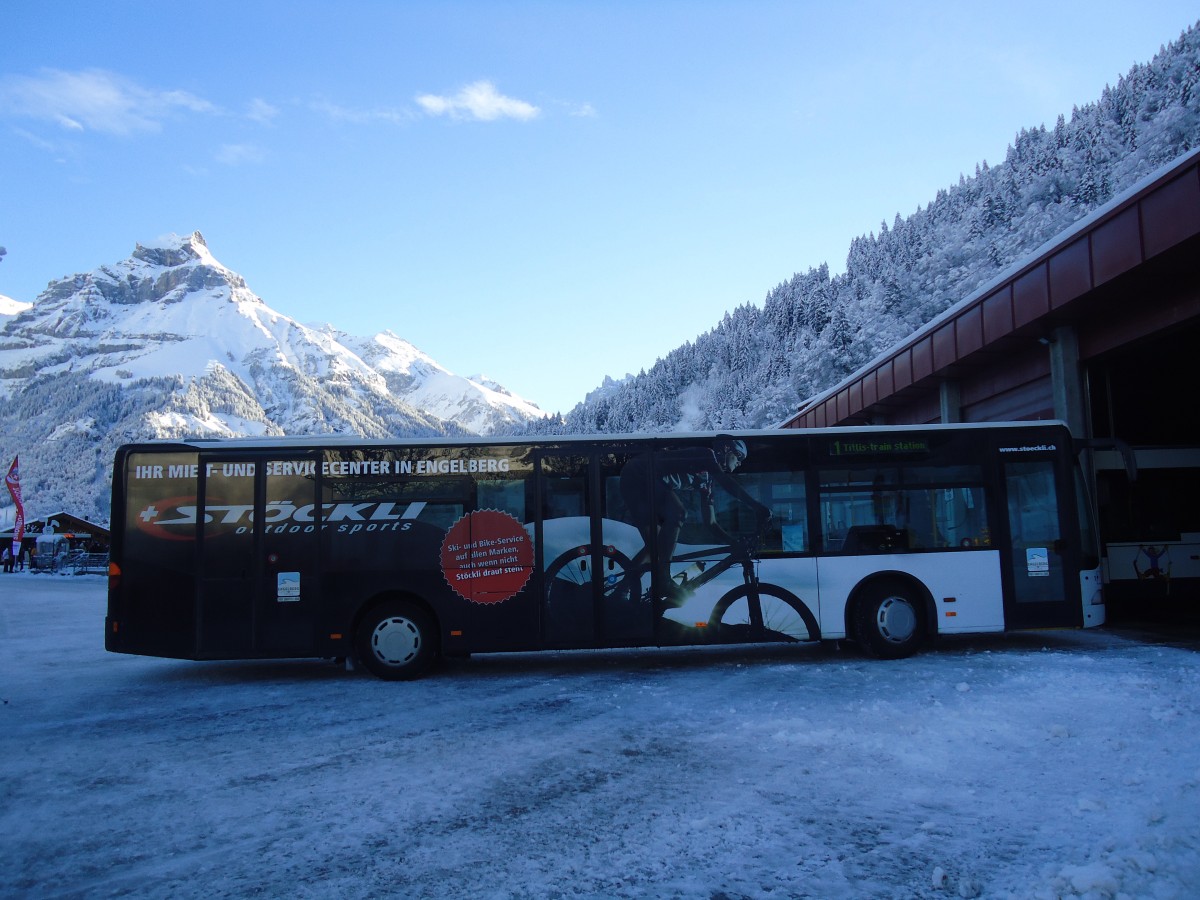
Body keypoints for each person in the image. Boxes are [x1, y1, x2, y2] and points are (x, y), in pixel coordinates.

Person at [619, 436, 771, 605]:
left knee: (655, 547)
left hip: (636, 480)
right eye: (739, 456)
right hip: (639, 475)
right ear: (727, 449)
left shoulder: (707, 481)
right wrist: (757, 507)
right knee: (678, 513)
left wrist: (732, 543)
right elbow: (728, 484)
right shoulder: (706, 455)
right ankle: (663, 580)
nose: (740, 463)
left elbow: (710, 523)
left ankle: (621, 592)